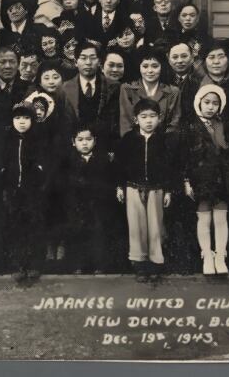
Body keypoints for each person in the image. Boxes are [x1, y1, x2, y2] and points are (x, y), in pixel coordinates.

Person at [183, 84, 229, 276]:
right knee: (203, 218)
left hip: (222, 178)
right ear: (199, 103)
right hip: (201, 178)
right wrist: (186, 181)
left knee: (220, 217)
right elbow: (185, 157)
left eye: (215, 103)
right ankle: (207, 255)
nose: (211, 107)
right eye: (207, 102)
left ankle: (220, 255)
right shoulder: (191, 127)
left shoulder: (223, 125)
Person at [115, 98, 176, 282]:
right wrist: (119, 186)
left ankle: (156, 263)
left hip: (157, 189)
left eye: (152, 116)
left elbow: (170, 167)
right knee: (136, 227)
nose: (148, 120)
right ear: (136, 119)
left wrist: (168, 190)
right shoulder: (128, 139)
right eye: (144, 116)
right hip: (133, 188)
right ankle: (140, 265)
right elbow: (120, 165)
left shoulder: (164, 140)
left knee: (156, 227)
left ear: (159, 118)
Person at [0, 102, 47, 281]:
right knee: (15, 227)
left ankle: (35, 264)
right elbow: (1, 164)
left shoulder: (39, 139)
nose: (21, 122)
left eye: (26, 118)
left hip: (33, 192)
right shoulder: (7, 139)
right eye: (17, 118)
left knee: (34, 226)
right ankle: (17, 265)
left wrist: (41, 176)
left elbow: (46, 164)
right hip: (13, 192)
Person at [61, 124, 116, 273]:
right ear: (73, 142)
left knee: (98, 233)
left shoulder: (103, 160)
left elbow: (107, 184)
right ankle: (77, 265)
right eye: (80, 140)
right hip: (76, 206)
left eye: (88, 139)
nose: (84, 143)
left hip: (97, 205)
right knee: (76, 232)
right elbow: (65, 185)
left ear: (95, 141)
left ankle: (99, 265)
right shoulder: (68, 161)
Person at [60, 41, 121, 152]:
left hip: (105, 149)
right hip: (74, 151)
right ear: (75, 62)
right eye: (83, 58)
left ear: (99, 62)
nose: (88, 62)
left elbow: (115, 124)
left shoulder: (113, 87)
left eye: (92, 58)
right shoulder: (65, 89)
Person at [119, 45, 181, 137]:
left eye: (155, 66)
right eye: (145, 66)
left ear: (161, 67)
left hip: (163, 143)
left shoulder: (173, 92)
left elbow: (174, 125)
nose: (150, 70)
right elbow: (126, 124)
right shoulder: (127, 89)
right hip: (134, 143)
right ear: (139, 67)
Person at [0, 43, 32, 136]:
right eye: (2, 62)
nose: (8, 66)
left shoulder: (29, 89)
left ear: (18, 65)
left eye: (12, 62)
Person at [167, 41, 201, 129]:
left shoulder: (200, 82)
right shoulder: (164, 82)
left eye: (184, 56)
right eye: (175, 57)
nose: (180, 61)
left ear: (192, 58)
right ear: (169, 60)